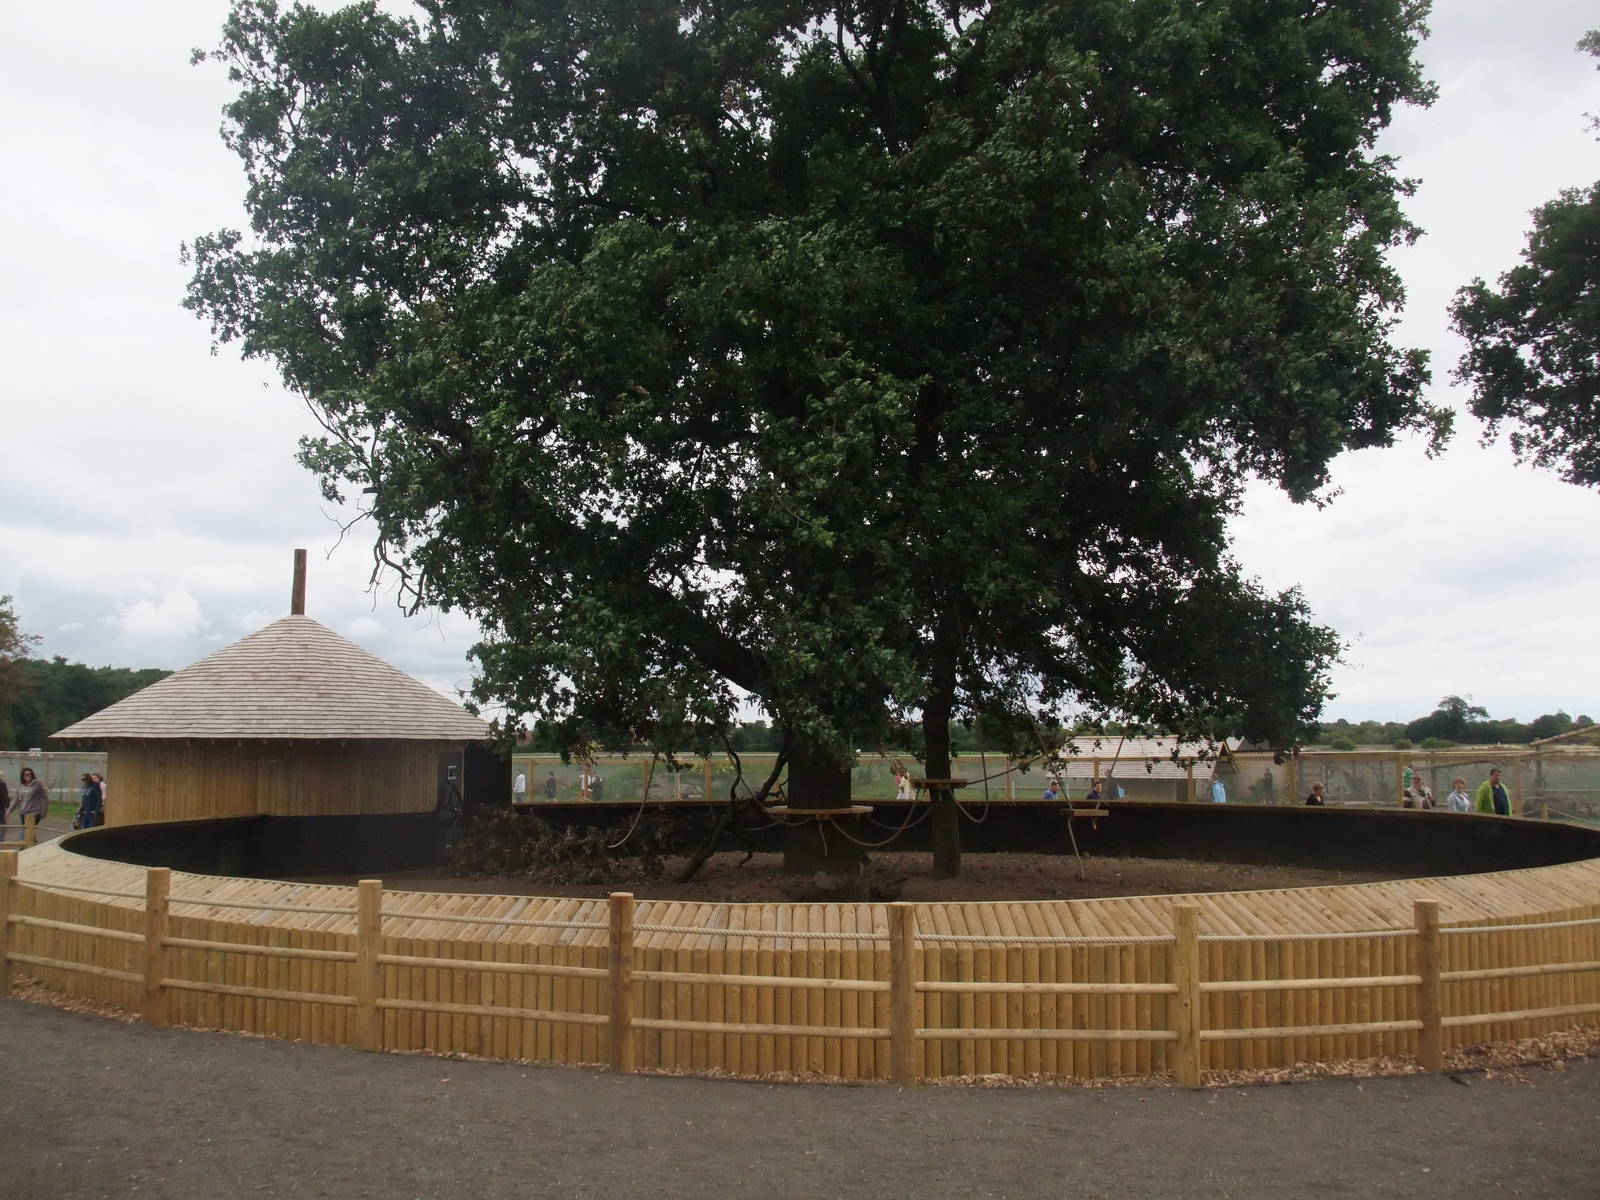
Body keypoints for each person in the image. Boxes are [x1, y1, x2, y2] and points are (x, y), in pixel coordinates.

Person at [12, 767, 48, 837]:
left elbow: (44, 797)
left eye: (30, 774)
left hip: (35, 812)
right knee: (28, 832)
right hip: (23, 812)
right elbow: (15, 799)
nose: (29, 776)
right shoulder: (20, 785)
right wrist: (8, 812)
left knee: (26, 831)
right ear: (22, 776)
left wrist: (44, 812)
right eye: (27, 774)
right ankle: (32, 845)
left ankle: (23, 847)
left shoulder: (37, 783)